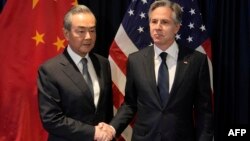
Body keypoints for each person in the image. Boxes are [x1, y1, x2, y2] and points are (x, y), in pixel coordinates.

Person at [100, 0, 214, 141]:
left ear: (177, 27)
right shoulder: (135, 60)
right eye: (154, 21)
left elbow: (204, 112)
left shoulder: (196, 61)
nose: (157, 27)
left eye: (164, 22)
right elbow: (130, 104)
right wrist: (112, 128)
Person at [37, 5, 114, 141]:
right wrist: (93, 132)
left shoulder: (103, 63)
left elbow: (105, 109)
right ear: (66, 34)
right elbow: (51, 119)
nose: (88, 37)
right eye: (81, 31)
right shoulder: (50, 70)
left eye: (92, 30)